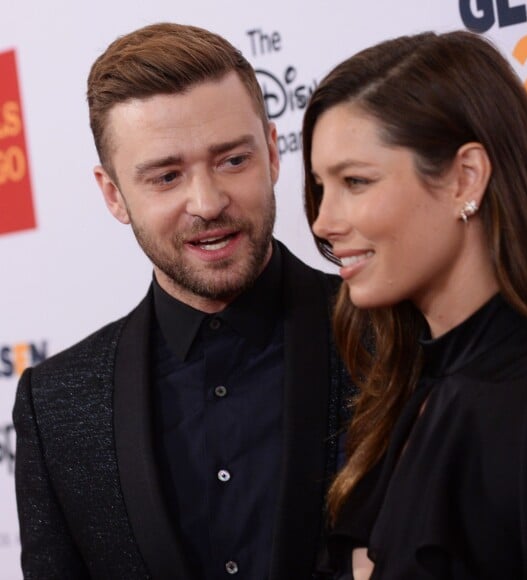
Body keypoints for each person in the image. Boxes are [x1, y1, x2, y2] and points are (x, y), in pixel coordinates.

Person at [13, 22, 353, 580]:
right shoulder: (55, 407)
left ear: (272, 150)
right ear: (113, 195)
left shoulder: (388, 333)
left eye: (232, 161)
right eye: (167, 176)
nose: (208, 202)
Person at [301, 30, 527, 579]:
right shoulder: (405, 392)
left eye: (355, 181)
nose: (322, 222)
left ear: (464, 177)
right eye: (320, 187)